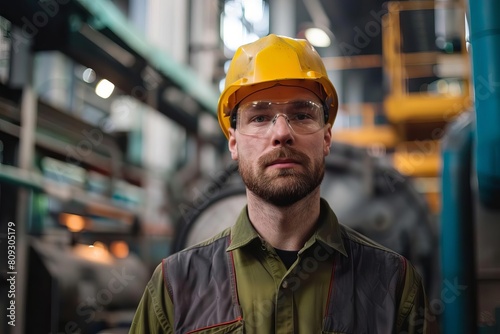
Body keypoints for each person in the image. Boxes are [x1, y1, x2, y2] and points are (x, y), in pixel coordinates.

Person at [129, 34, 438, 334]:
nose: (281, 132)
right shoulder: (175, 284)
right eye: (260, 117)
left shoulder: (393, 282)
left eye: (302, 114)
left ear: (326, 138)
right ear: (233, 143)